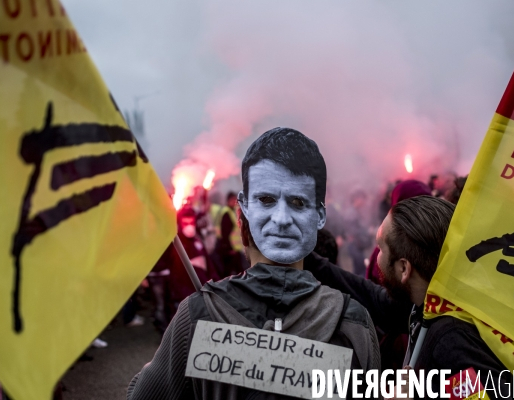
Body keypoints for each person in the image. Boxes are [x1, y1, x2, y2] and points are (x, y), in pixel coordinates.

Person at [128, 127, 380, 399]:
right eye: (266, 200)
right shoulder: (354, 323)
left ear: (319, 215)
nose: (282, 218)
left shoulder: (197, 316)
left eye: (297, 202)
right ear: (244, 206)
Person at [305, 196, 514, 397]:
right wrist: (306, 257)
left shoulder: (451, 341)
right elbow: (374, 298)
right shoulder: (426, 305)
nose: (377, 259)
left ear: (404, 269)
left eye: (381, 248)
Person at [212, 192, 247, 278]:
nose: (235, 202)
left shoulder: (232, 211)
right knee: (231, 272)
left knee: (237, 271)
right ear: (229, 200)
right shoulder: (226, 213)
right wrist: (229, 248)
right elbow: (225, 233)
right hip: (230, 249)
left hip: (235, 248)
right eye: (234, 200)